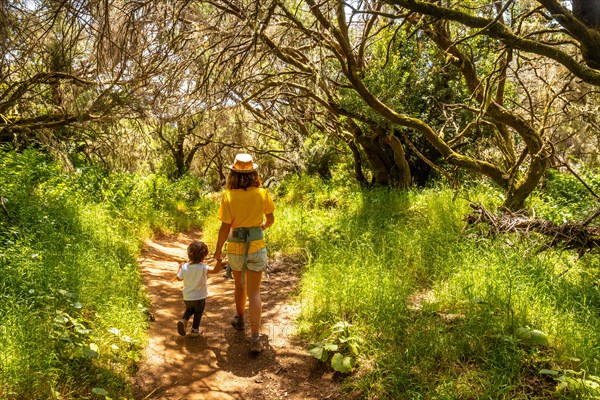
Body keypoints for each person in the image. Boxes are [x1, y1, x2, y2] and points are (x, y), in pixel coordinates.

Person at [213, 153, 275, 354]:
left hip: (236, 247)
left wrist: (217, 251)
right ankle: (256, 338)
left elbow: (225, 227)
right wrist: (260, 228)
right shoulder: (262, 193)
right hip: (256, 245)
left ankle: (240, 321)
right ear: (253, 173)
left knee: (239, 285)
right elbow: (271, 219)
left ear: (233, 174)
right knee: (254, 292)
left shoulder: (228, 196)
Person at [176, 240, 223, 337]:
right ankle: (194, 330)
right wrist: (219, 260)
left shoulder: (185, 267)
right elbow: (215, 270)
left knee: (189, 310)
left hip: (188, 296)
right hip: (200, 297)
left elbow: (178, 278)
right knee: (198, 313)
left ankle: (184, 320)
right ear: (203, 256)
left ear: (189, 254)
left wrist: (179, 268)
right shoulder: (203, 267)